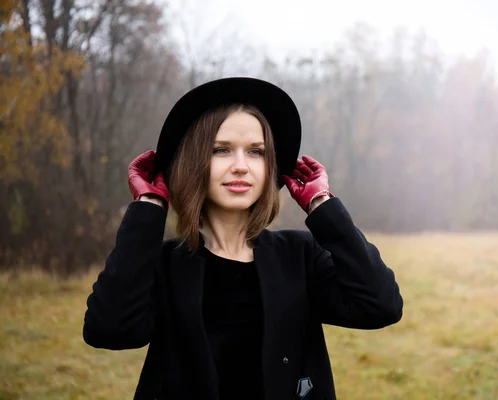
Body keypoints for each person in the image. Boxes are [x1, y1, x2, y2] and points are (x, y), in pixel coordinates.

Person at [83, 77, 403, 400]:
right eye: (221, 150)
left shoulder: (300, 257)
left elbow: (381, 305)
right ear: (195, 162)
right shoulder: (164, 266)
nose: (241, 166)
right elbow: (108, 329)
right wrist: (149, 208)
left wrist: (322, 204)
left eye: (256, 152)